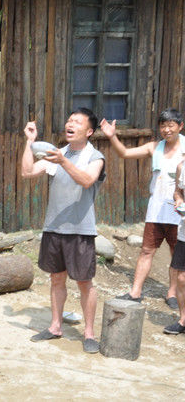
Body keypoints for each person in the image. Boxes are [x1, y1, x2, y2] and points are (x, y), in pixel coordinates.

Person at [21, 108, 106, 354]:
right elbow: (27, 172)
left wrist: (63, 161)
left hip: (81, 229)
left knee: (84, 282)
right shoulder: (56, 154)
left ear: (89, 131)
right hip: (54, 227)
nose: (70, 124)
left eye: (77, 122)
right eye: (69, 120)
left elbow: (87, 180)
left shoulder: (95, 156)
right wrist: (30, 142)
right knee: (56, 278)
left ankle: (89, 334)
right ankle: (56, 326)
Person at [100, 109, 185, 309]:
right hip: (156, 208)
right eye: (163, 126)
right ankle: (135, 292)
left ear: (180, 126)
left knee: (176, 254)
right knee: (147, 250)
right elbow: (125, 153)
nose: (166, 129)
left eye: (171, 125)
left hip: (180, 212)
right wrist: (112, 137)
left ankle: (172, 293)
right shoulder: (154, 147)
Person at [166, 160, 185, 334]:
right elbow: (178, 192)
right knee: (181, 279)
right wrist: (179, 200)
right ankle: (183, 321)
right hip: (184, 233)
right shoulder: (181, 166)